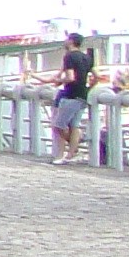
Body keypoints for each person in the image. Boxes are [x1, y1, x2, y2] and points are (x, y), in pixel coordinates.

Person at [51, 31, 95, 164]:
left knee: (58, 125)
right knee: (74, 126)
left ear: (71, 41)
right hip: (83, 95)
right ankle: (70, 155)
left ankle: (71, 150)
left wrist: (59, 81)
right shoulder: (87, 58)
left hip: (71, 94)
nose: (65, 42)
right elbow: (97, 76)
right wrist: (89, 88)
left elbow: (70, 77)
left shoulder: (69, 56)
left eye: (66, 39)